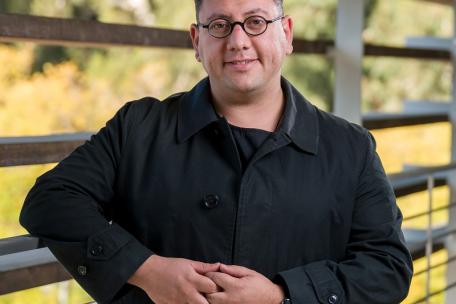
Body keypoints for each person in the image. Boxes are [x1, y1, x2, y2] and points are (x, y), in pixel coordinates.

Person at [20, 0, 413, 303]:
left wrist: (282, 294)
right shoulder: (139, 127)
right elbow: (50, 201)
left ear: (287, 34)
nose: (238, 40)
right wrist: (144, 268)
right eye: (220, 25)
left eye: (256, 21)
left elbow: (388, 268)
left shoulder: (351, 147)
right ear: (197, 40)